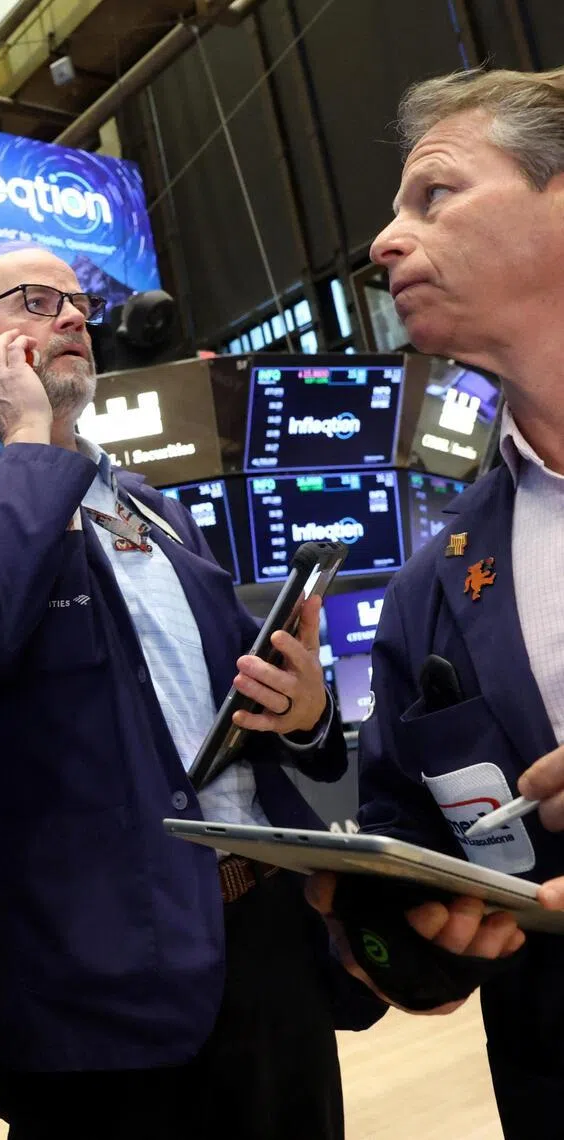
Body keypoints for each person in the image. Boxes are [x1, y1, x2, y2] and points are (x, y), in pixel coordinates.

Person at [0, 243, 379, 1139]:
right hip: (93, 973)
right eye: (36, 301)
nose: (73, 317)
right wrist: (28, 440)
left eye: (79, 304)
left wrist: (306, 712)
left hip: (262, 940)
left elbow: (240, 696)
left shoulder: (150, 508)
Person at [304, 66, 564, 1138]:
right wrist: (404, 931)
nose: (383, 241)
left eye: (435, 195)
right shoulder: (436, 584)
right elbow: (408, 826)